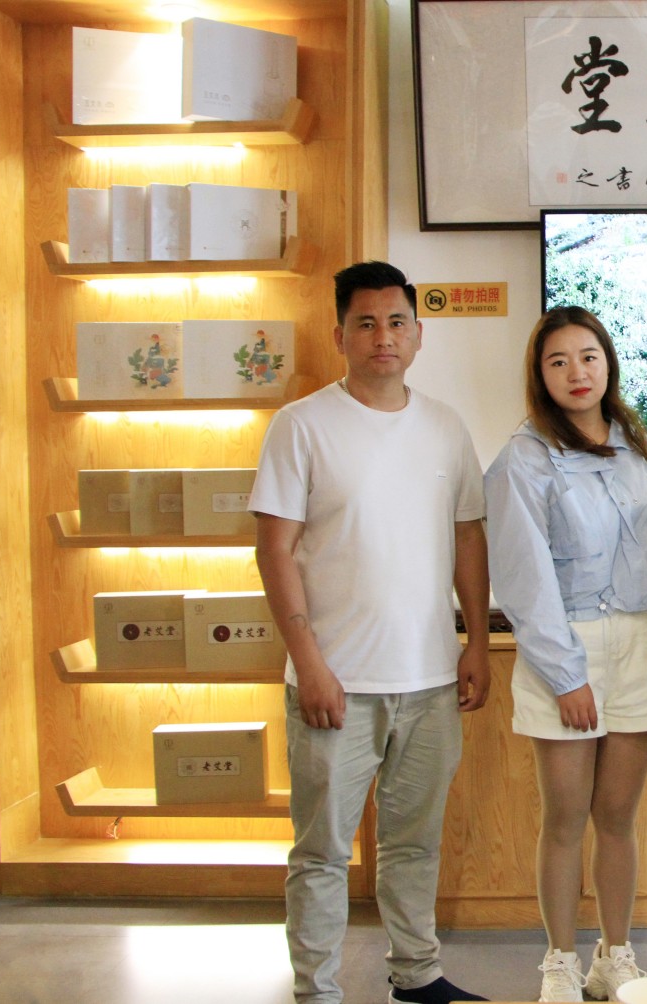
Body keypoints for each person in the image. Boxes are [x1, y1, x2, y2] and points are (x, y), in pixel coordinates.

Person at [251, 260, 489, 1004]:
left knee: (414, 843)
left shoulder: (446, 426)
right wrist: (309, 664)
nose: (383, 336)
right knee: (322, 853)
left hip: (430, 681)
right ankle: (315, 991)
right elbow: (274, 550)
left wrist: (477, 643)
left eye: (396, 322)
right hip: (336, 683)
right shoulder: (301, 425)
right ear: (340, 336)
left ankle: (417, 975)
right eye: (366, 323)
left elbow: (469, 537)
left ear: (417, 335)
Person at [484, 307, 647, 1003]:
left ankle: (615, 957)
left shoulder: (640, 444)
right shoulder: (523, 457)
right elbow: (523, 577)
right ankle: (560, 962)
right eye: (558, 360)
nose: (577, 372)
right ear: (539, 374)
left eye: (589, 356)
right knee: (566, 818)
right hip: (563, 645)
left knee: (618, 818)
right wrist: (567, 675)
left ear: (608, 363)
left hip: (641, 643)